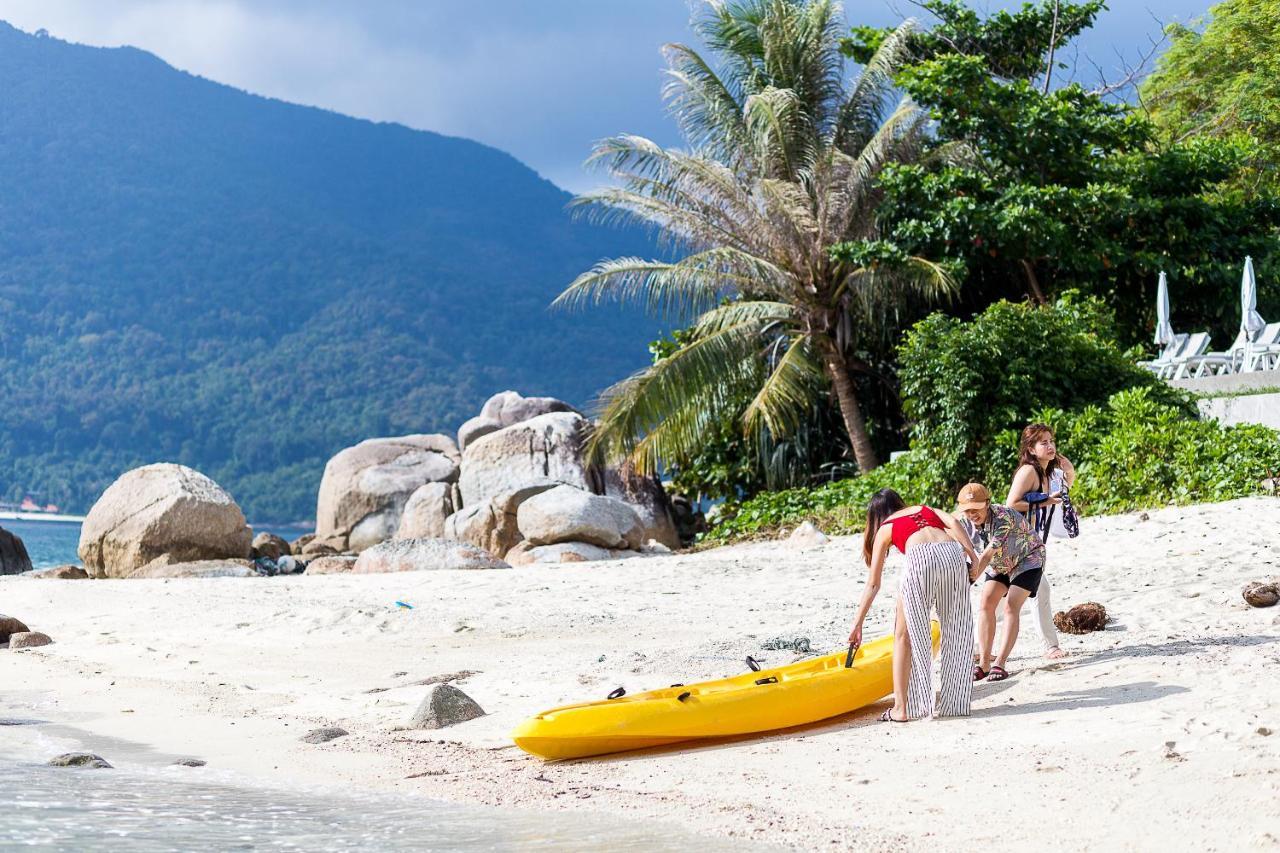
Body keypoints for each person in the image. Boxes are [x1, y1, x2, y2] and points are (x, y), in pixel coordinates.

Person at [849, 488, 980, 721]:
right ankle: (955, 704)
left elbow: (873, 584)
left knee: (904, 637)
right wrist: (973, 556)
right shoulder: (924, 509)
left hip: (920, 559)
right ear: (900, 503)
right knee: (957, 629)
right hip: (952, 553)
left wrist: (857, 624)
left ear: (875, 516)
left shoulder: (886, 527)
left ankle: (903, 709)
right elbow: (952, 520)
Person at [956, 482, 1046, 681]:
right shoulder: (962, 522)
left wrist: (967, 583)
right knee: (986, 602)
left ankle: (1000, 663)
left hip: (1027, 559)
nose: (972, 514)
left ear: (987, 503)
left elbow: (986, 555)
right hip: (1001, 564)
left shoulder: (1003, 516)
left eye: (977, 509)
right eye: (968, 510)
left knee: (1011, 606)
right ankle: (984, 663)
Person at [1007, 423, 1077, 661]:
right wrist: (1044, 502)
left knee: (1008, 596)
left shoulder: (1050, 474)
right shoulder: (1028, 471)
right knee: (1033, 591)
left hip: (1033, 546)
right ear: (1031, 448)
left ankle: (980, 648)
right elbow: (1011, 504)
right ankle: (1051, 646)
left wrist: (1070, 473)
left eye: (1051, 441)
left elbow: (1062, 494)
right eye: (1043, 442)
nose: (1050, 446)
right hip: (1015, 542)